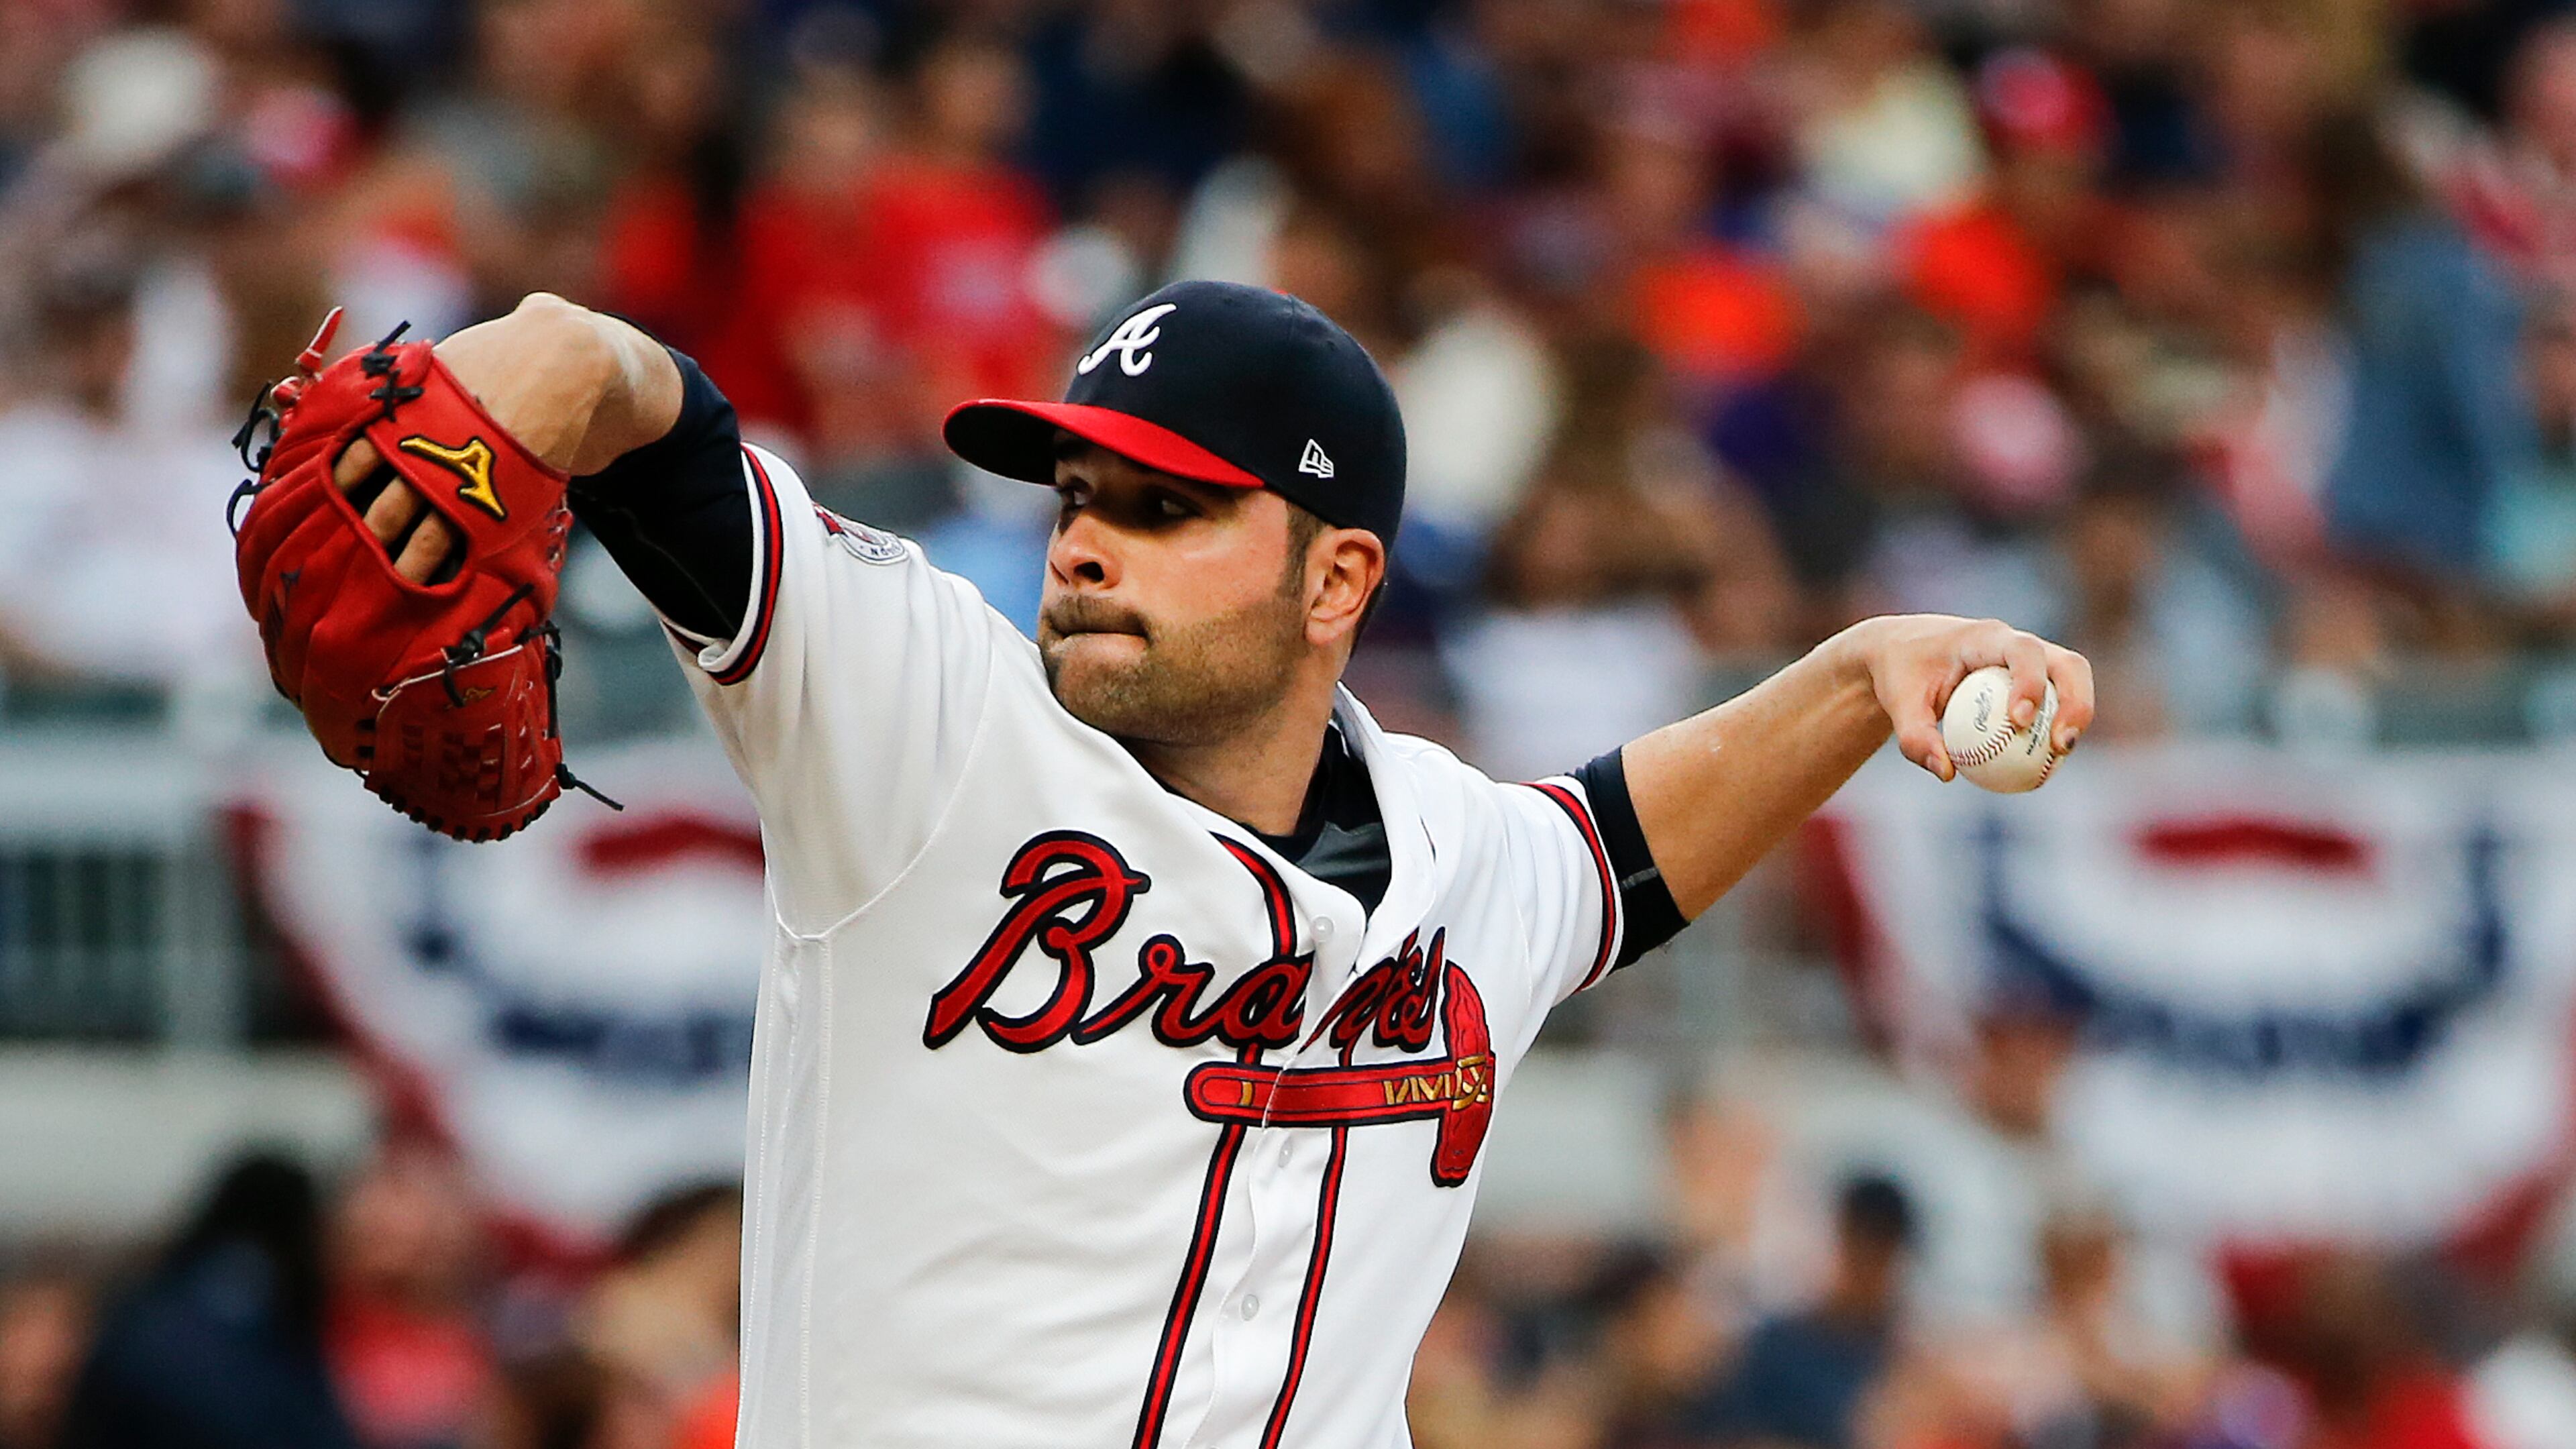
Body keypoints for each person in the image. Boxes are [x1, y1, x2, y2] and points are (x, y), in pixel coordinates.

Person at [315, 280, 2091, 1446]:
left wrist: (1861, 676)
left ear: (1341, 582)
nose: (1088, 545)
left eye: (1169, 508)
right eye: (1079, 495)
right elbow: (663, 431)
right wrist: (552, 350)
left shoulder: (1459, 855)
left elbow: (1623, 842)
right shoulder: (923, 722)